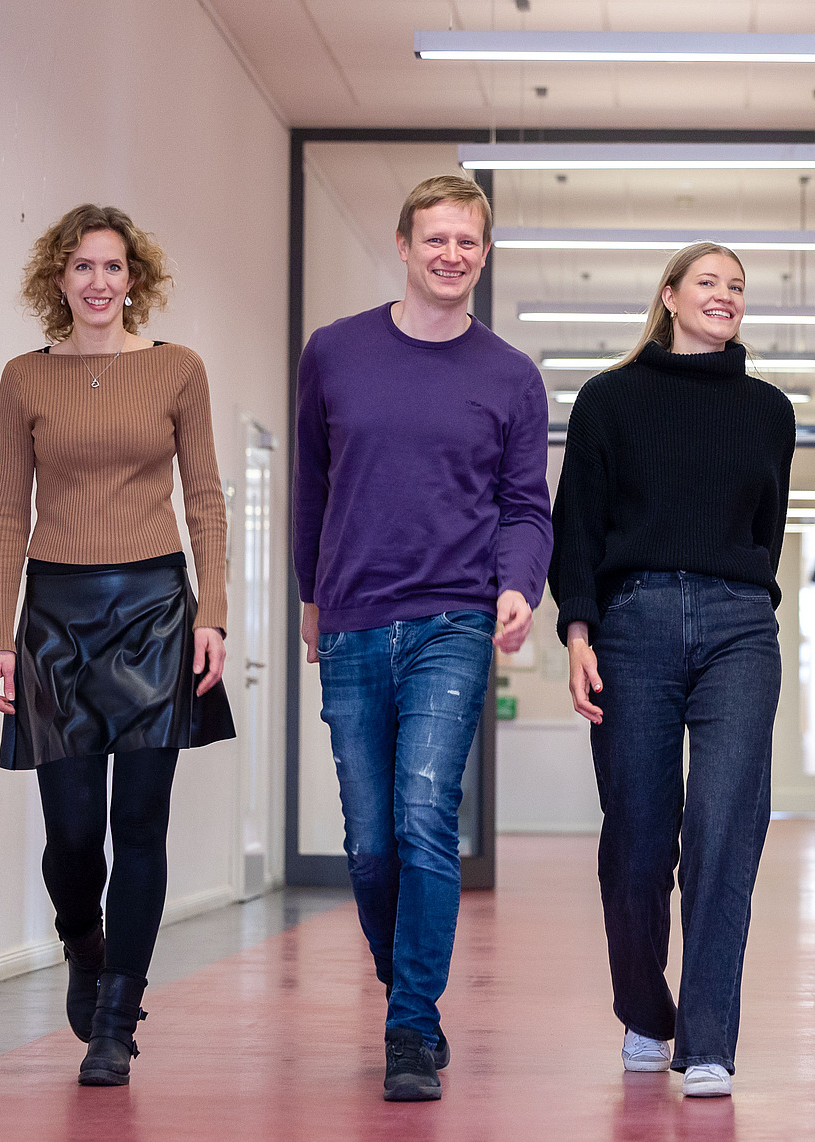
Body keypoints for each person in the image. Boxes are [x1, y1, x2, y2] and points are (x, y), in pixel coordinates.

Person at [294, 175, 553, 1101]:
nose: (452, 256)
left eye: (469, 244)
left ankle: (411, 1027)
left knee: (422, 816)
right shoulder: (335, 353)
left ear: (483, 257)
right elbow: (312, 489)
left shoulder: (511, 376)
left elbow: (527, 505)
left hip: (454, 614)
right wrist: (309, 598)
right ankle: (405, 988)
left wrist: (517, 585)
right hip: (356, 618)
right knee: (369, 842)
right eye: (436, 239)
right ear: (403, 245)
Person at [0, 204, 235, 1087]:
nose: (99, 282)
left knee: (140, 823)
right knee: (74, 832)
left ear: (136, 279)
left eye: (114, 267)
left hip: (156, 609)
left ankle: (117, 1020)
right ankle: (82, 944)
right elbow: (8, 509)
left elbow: (205, 495)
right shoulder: (24, 378)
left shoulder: (177, 371)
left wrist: (213, 615)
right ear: (59, 280)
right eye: (83, 267)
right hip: (54, 612)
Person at [549, 242, 795, 1098]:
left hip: (737, 625)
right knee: (639, 843)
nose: (725, 296)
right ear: (669, 297)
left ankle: (710, 1041)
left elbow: (764, 532)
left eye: (736, 287)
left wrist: (739, 597)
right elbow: (575, 526)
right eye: (709, 283)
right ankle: (646, 1012)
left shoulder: (770, 410)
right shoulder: (609, 401)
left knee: (727, 830)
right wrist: (577, 634)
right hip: (633, 622)